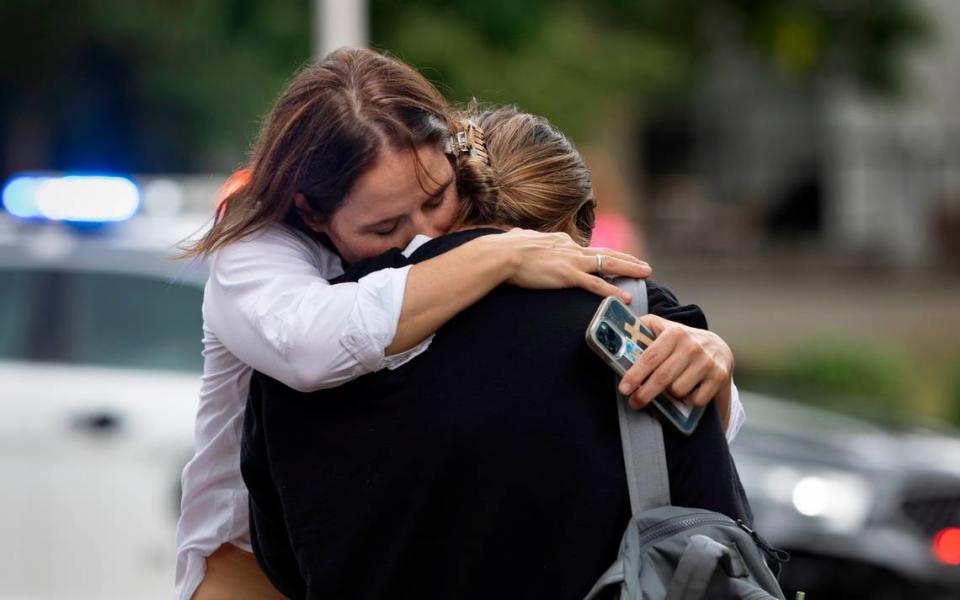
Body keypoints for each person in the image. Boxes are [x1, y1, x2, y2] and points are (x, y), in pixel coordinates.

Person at [175, 48, 660, 600]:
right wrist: (495, 256)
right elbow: (312, 347)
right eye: (385, 227)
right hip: (251, 577)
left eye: (436, 199)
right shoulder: (256, 252)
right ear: (311, 212)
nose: (422, 237)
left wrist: (700, 352)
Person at [241, 107, 751, 599]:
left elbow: (284, 562)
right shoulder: (648, 331)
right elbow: (718, 536)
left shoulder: (319, 339)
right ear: (581, 220)